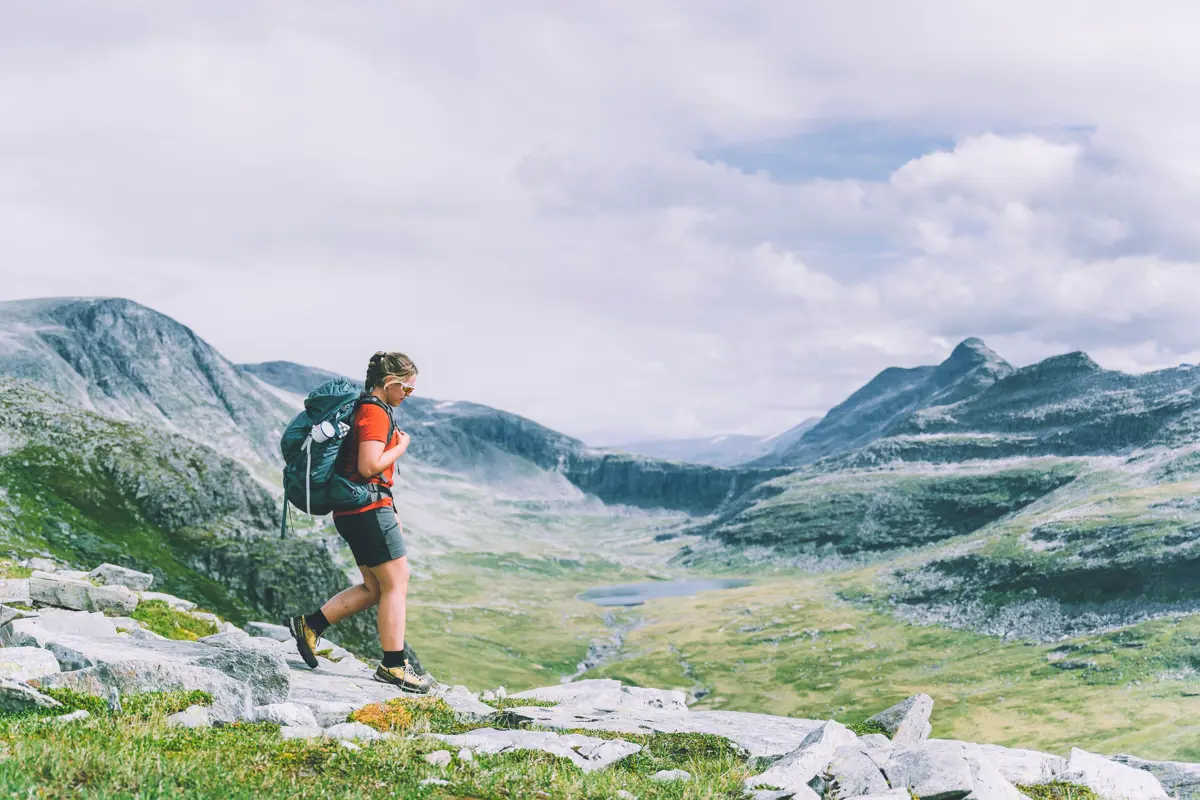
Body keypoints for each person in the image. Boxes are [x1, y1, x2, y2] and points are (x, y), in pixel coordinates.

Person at [287, 351, 431, 694]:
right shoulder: (375, 412)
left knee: (373, 589)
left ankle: (310, 625)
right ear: (389, 383)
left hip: (354, 511)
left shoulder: (364, 409)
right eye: (406, 390)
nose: (407, 396)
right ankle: (394, 666)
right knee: (397, 584)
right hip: (368, 509)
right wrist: (402, 447)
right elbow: (369, 466)